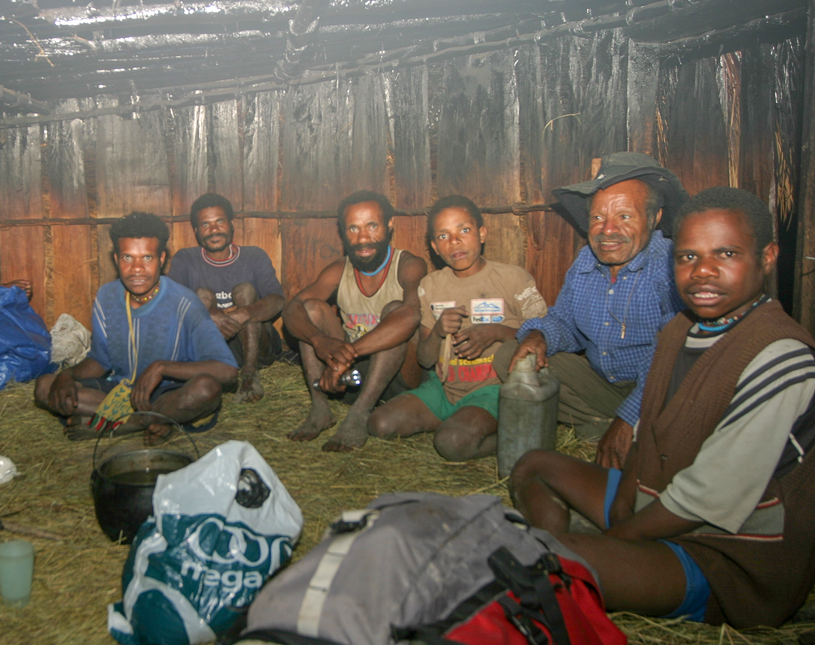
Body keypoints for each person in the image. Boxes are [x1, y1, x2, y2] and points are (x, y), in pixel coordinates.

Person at [509, 188, 815, 629]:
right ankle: (584, 570)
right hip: (658, 498)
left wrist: (620, 536)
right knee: (533, 466)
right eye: (687, 257)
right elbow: (647, 434)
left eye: (725, 253)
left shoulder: (780, 357)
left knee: (548, 561)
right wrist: (624, 503)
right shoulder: (680, 331)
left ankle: (585, 565)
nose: (703, 271)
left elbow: (706, 499)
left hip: (719, 553)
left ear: (767, 257)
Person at [495, 152, 688, 468]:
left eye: (624, 217)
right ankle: (607, 427)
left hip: (659, 391)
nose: (607, 230)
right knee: (513, 357)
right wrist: (539, 335)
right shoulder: (586, 261)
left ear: (653, 218)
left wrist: (629, 417)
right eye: (598, 218)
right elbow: (566, 323)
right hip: (604, 386)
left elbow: (672, 358)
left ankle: (632, 430)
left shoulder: (670, 267)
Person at [34, 211, 238, 442]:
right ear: (116, 259)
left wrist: (161, 368)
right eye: (128, 258)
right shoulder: (107, 296)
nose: (137, 268)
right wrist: (67, 376)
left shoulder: (185, 302)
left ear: (161, 259)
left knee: (206, 390)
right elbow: (101, 361)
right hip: (118, 391)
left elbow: (228, 371)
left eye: (147, 258)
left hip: (167, 393)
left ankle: (129, 424)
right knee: (45, 386)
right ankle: (156, 420)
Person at [369, 195, 547, 460]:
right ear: (435, 247)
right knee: (379, 425)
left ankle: (517, 436)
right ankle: (462, 422)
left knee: (451, 444)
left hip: (493, 389)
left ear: (482, 233)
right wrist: (439, 331)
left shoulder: (512, 278)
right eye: (443, 236)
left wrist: (496, 332)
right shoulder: (431, 285)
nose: (455, 241)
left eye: (464, 230)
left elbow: (544, 332)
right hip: (445, 389)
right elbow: (425, 359)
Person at [283, 190, 426, 451]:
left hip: (398, 379)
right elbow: (292, 308)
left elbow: (411, 316)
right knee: (311, 309)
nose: (363, 238)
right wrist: (321, 342)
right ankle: (320, 409)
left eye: (372, 226)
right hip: (351, 377)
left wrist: (345, 355)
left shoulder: (408, 264)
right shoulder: (339, 268)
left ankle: (359, 415)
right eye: (353, 228)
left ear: (389, 224)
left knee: (396, 312)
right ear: (342, 231)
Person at [168, 193, 285, 403]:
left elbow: (277, 300)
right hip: (211, 347)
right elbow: (172, 303)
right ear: (196, 231)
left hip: (255, 346)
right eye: (205, 224)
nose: (214, 230)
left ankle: (249, 375)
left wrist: (244, 313)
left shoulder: (253, 256)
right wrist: (207, 314)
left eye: (220, 221)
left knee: (245, 290)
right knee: (201, 296)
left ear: (231, 225)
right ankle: (212, 365)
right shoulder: (185, 259)